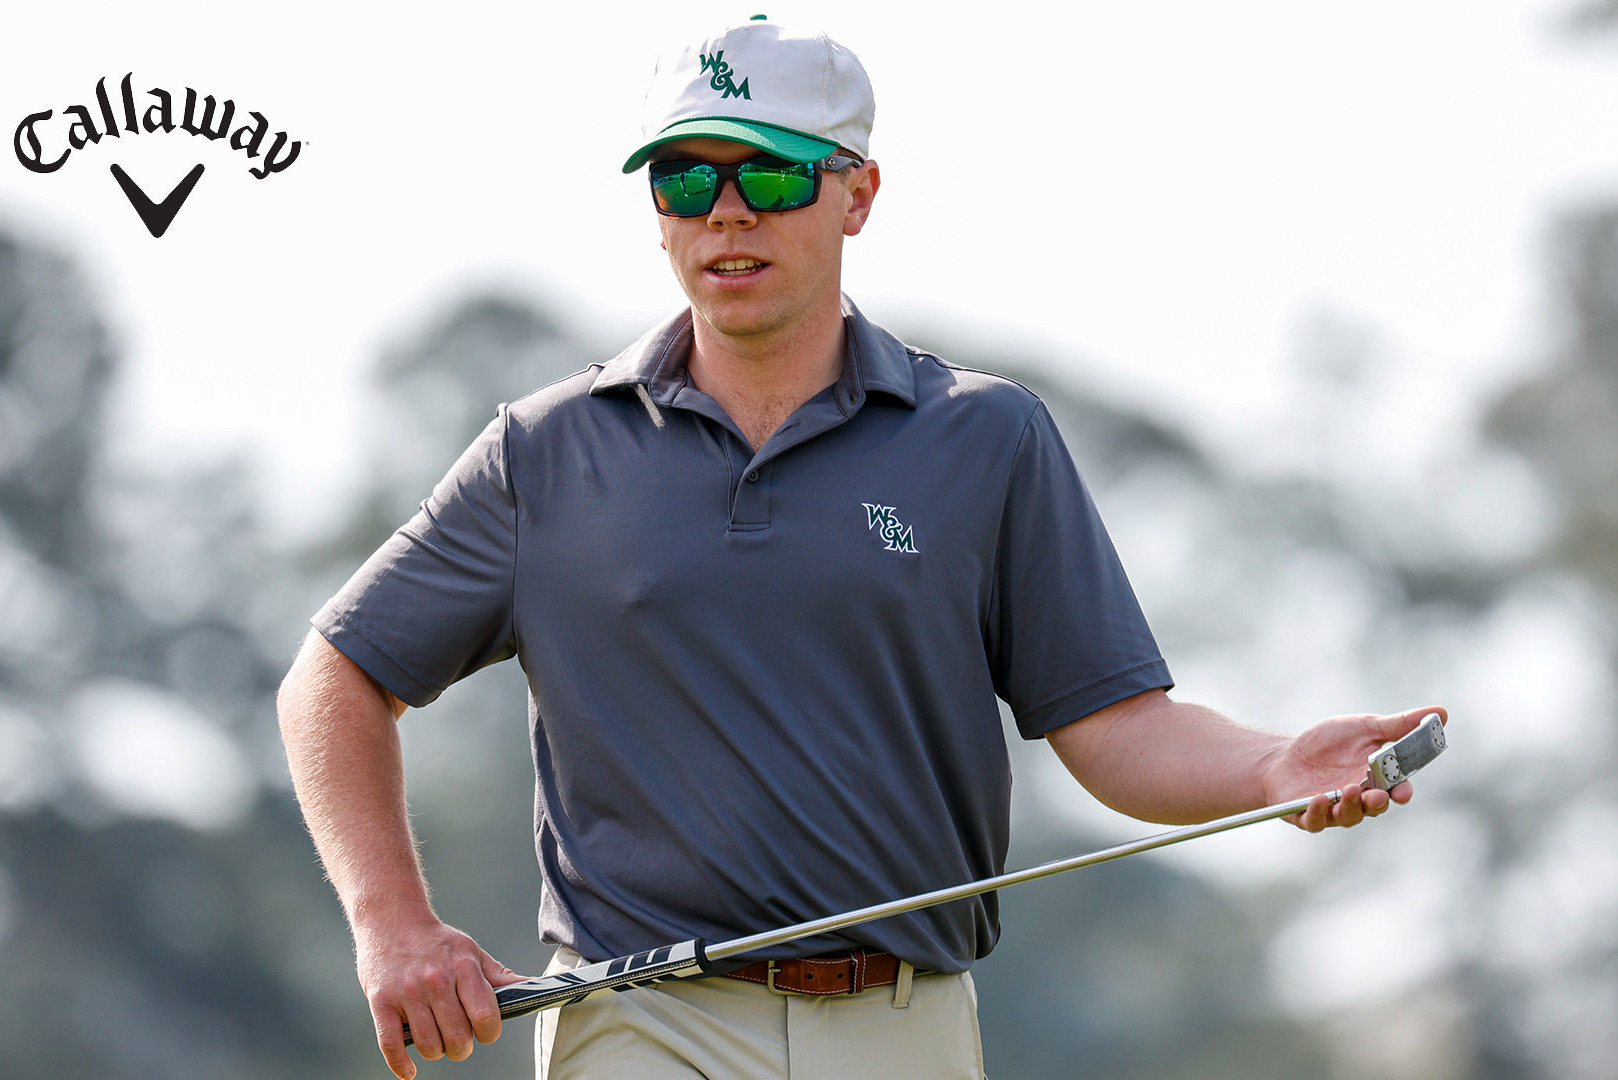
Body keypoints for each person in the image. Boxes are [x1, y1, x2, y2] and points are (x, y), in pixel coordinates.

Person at [275, 17, 1445, 1080]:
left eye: (773, 174)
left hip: (903, 1025)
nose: (728, 213)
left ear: (858, 194)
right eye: (687, 178)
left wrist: (1273, 767)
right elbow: (336, 676)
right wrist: (392, 925)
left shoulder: (985, 437)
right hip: (641, 1024)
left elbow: (1117, 728)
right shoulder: (546, 452)